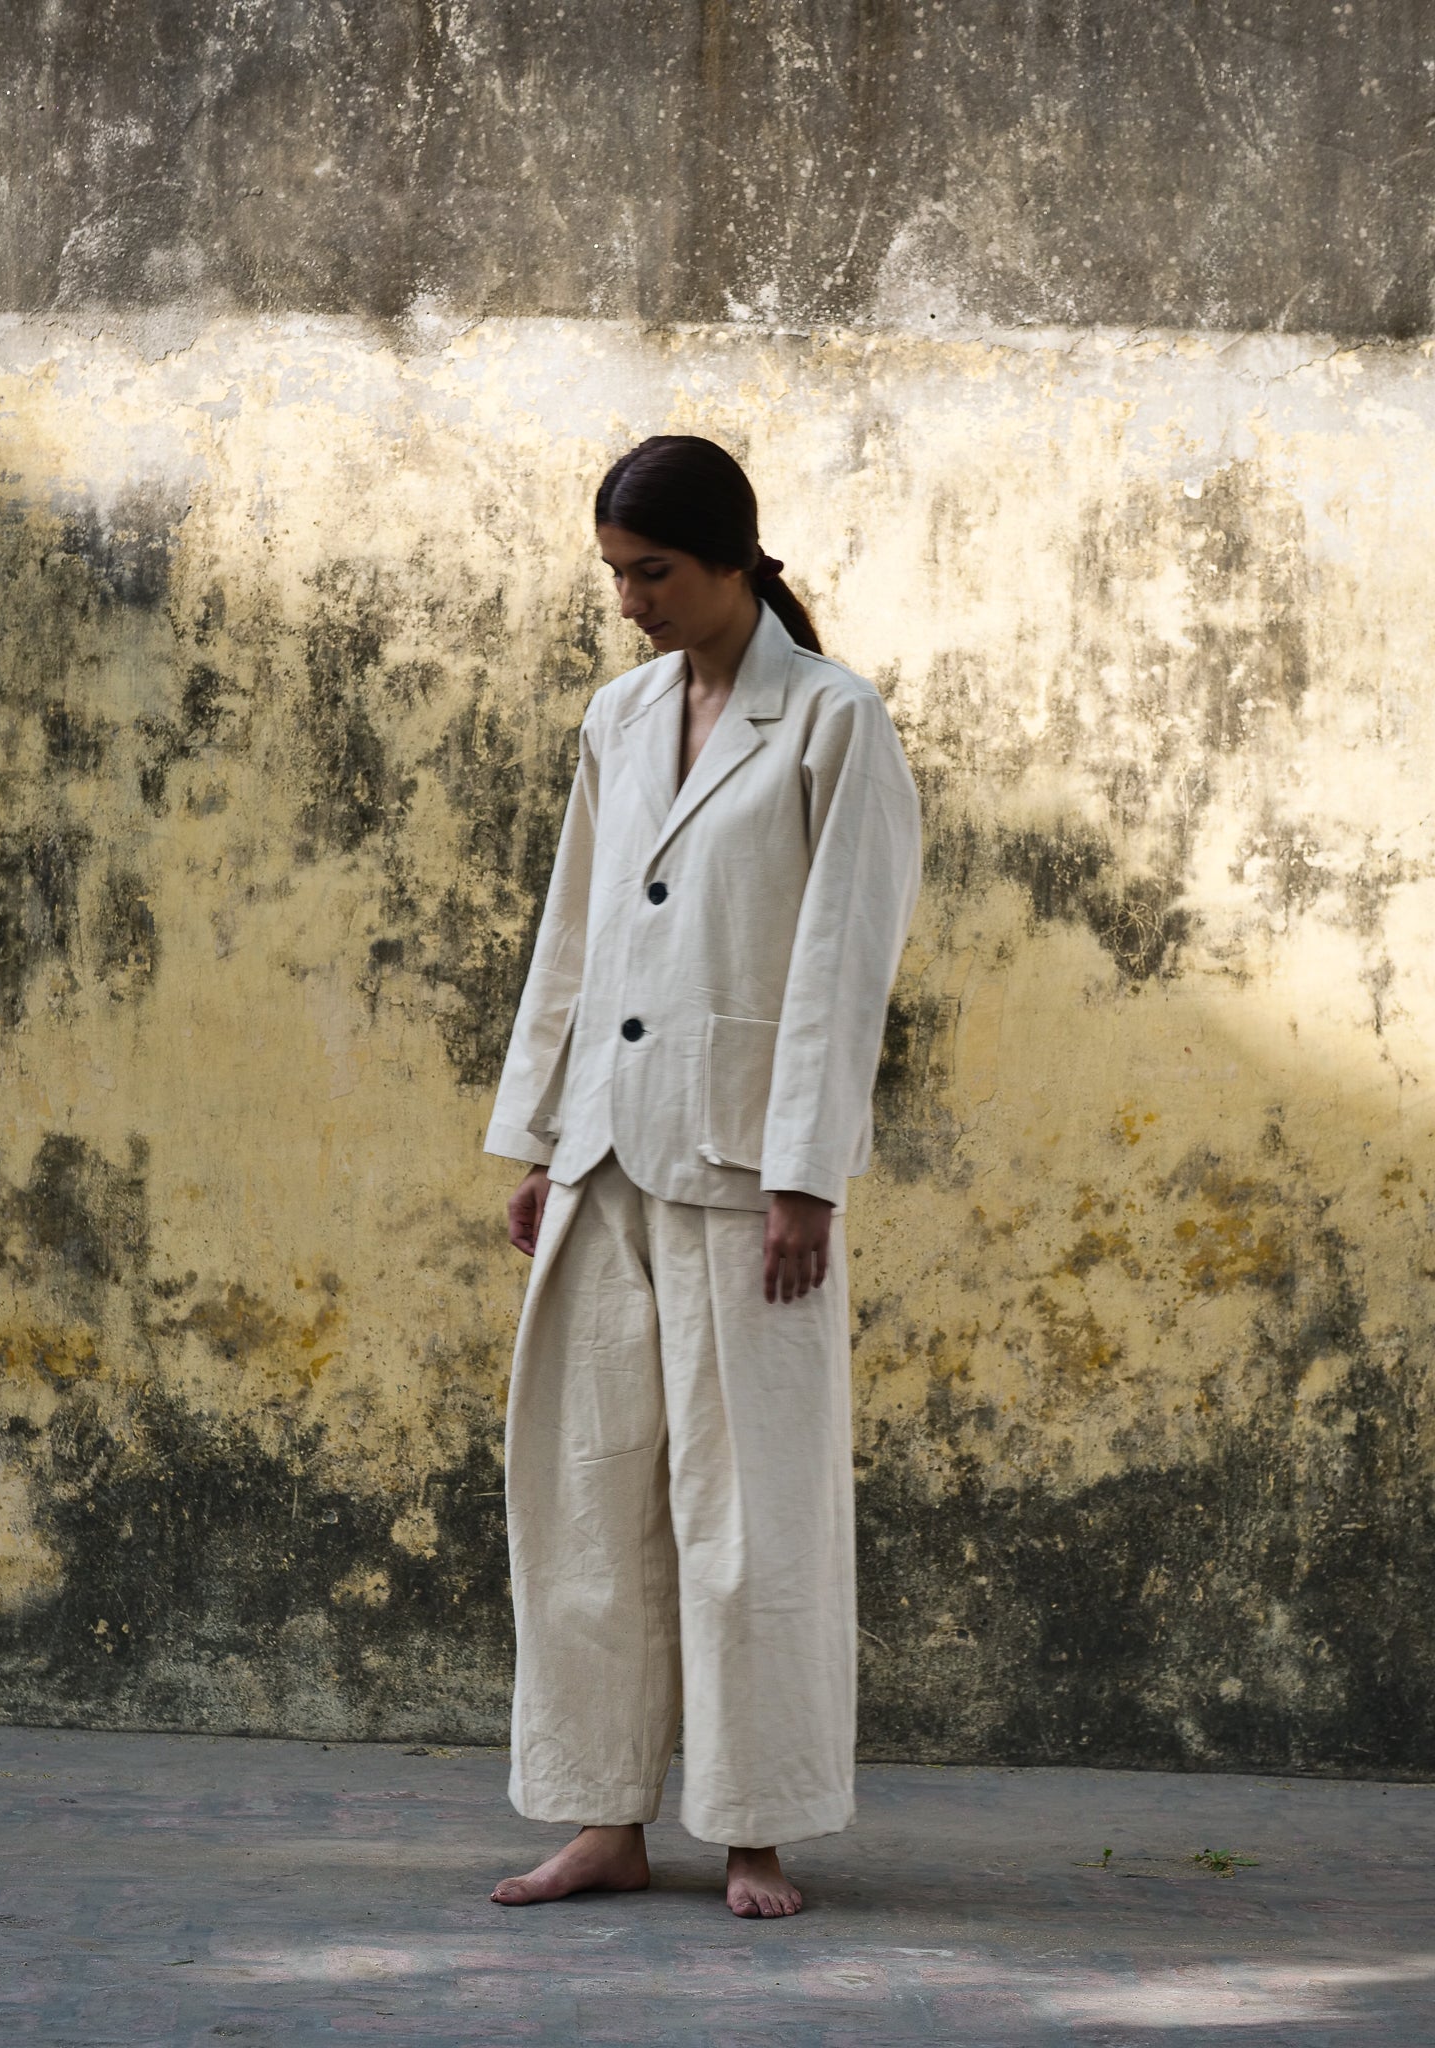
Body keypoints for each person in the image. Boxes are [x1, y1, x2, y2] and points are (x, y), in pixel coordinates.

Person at [483, 434, 921, 1918]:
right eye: (616, 575)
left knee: (749, 1516)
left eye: (654, 572)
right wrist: (545, 1138)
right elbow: (574, 933)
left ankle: (755, 1829)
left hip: (744, 1169)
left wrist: (807, 1177)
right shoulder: (618, 717)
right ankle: (605, 1819)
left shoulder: (833, 721)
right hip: (608, 1153)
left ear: (734, 558)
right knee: (589, 1500)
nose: (631, 602)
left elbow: (842, 963)